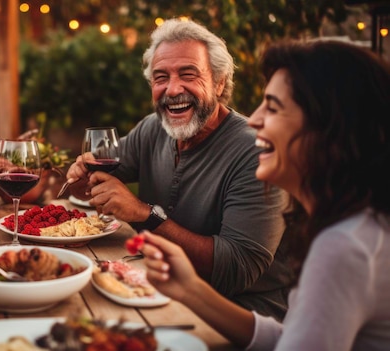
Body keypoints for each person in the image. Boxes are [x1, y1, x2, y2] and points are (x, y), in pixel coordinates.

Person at [141, 40, 390, 350]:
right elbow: (291, 340)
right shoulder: (352, 227)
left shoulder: (345, 246)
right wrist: (191, 289)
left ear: (327, 128)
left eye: (272, 107)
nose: (254, 119)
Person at [66, 18, 292, 319]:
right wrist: (81, 175)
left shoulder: (256, 152)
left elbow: (237, 269)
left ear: (219, 82)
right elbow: (97, 175)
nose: (173, 89)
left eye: (188, 74)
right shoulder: (152, 129)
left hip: (241, 314)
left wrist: (144, 214)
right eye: (161, 77)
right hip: (155, 288)